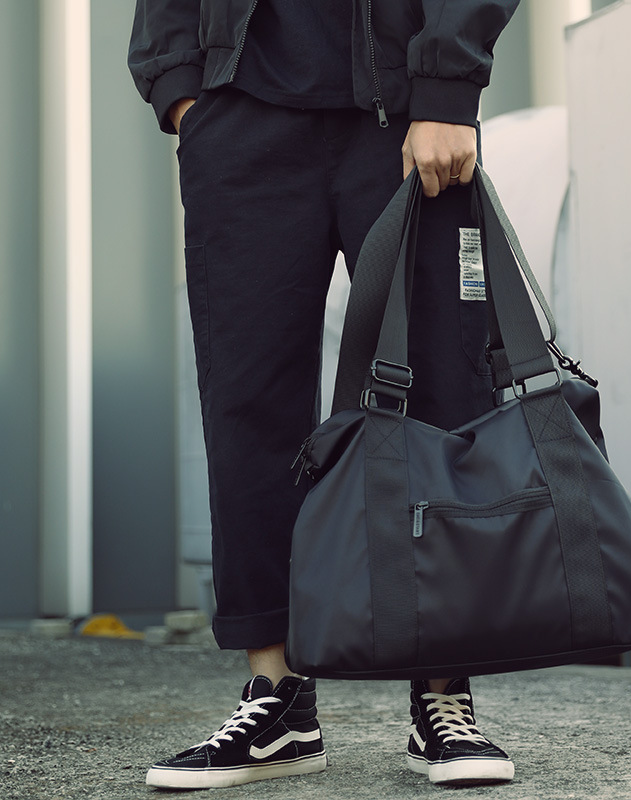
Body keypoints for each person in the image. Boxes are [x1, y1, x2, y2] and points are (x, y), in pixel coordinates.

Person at [128, 0, 520, 789]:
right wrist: (180, 88)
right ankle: (277, 699)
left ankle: (443, 692)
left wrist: (447, 89)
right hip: (240, 113)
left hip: (405, 115)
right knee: (247, 404)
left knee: (441, 394)